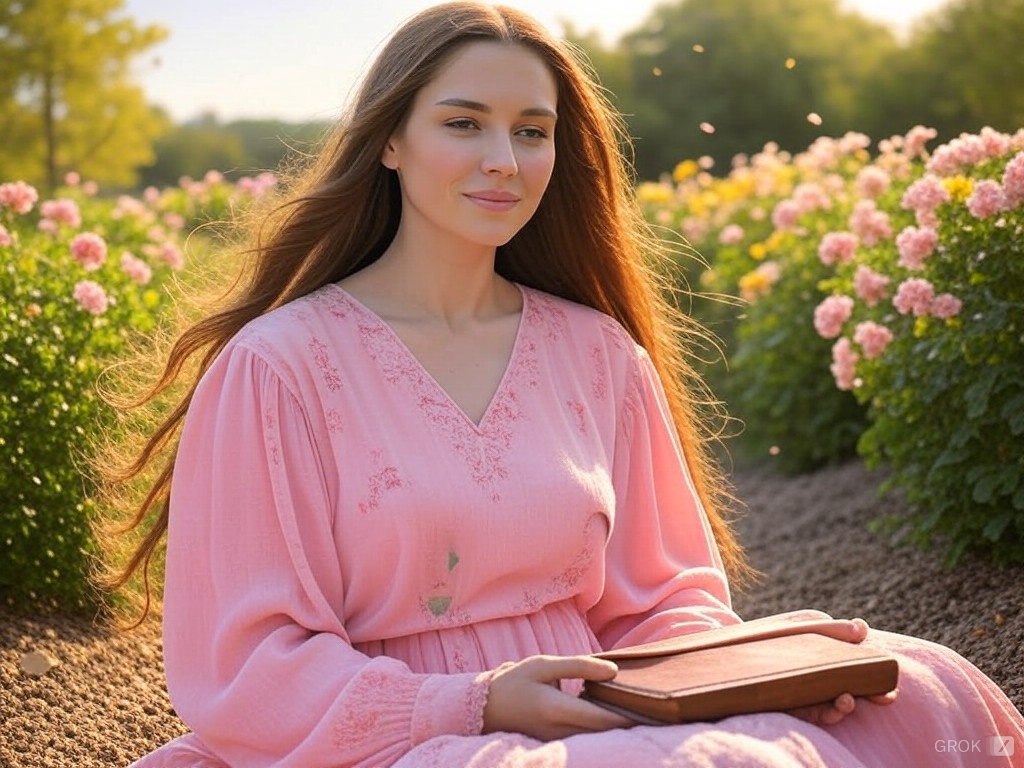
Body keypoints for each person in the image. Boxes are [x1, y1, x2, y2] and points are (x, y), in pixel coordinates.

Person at [111, 2, 1023, 766]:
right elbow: (246, 665)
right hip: (395, 740)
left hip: (605, 715)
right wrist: (472, 703)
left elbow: (665, 602)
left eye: (532, 131)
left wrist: (754, 679)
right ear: (390, 140)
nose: (504, 159)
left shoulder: (597, 354)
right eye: (463, 123)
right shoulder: (279, 367)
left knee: (915, 686)